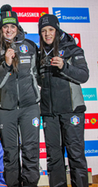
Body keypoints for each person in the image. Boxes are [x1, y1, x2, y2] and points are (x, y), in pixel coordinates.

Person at [0, 4, 40, 187]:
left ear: (17, 28)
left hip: (30, 107)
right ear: (0, 29)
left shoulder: (30, 46)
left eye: (12, 26)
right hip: (5, 109)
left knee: (31, 150)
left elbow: (40, 74)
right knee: (10, 153)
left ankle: (31, 184)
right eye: (5, 26)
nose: (9, 30)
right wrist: (7, 64)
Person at [37, 14, 89, 187]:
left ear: (57, 30)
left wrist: (64, 66)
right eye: (43, 31)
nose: (47, 34)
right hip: (49, 113)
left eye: (51, 30)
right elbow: (39, 80)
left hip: (71, 111)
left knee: (76, 155)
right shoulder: (40, 53)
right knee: (54, 157)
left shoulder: (73, 49)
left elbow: (84, 75)